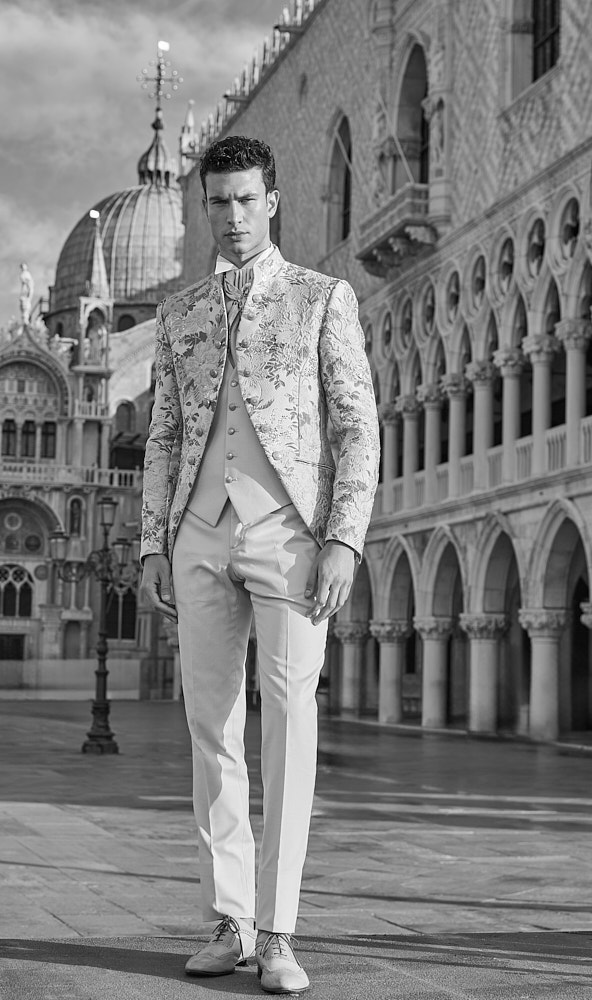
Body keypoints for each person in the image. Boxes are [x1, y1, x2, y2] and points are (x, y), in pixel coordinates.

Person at [140, 136, 379, 994]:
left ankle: (279, 932)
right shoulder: (180, 315)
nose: (233, 218)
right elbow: (163, 436)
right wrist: (152, 544)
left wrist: (345, 537)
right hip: (199, 535)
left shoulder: (324, 298)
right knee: (212, 732)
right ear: (203, 206)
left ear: (272, 202)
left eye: (247, 201)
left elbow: (356, 424)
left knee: (290, 727)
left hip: (289, 536)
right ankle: (229, 919)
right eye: (218, 203)